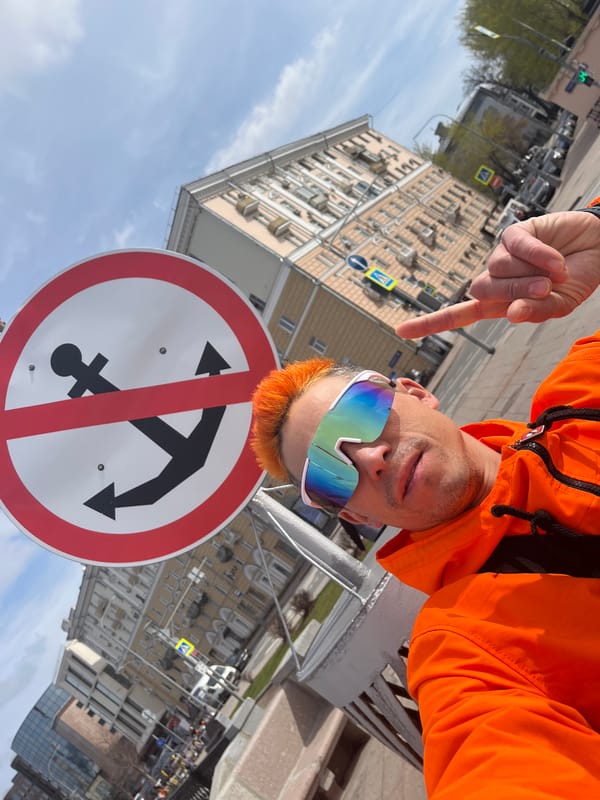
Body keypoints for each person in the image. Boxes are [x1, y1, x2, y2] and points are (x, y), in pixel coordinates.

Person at [250, 203, 600, 798]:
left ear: (413, 391)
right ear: (355, 515)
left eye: (359, 414)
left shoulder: (581, 398)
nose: (369, 459)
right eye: (332, 477)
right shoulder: (460, 648)